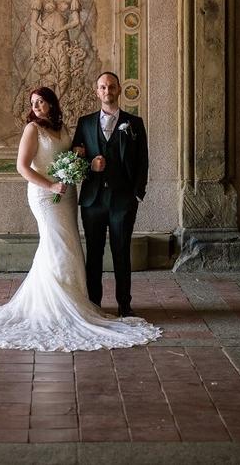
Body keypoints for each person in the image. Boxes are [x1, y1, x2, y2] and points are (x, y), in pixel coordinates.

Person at [0, 86, 160, 351]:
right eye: (33, 102)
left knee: (71, 245)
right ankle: (53, 306)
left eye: (41, 101)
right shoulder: (33, 129)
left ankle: (76, 300)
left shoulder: (62, 129)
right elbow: (22, 166)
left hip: (66, 195)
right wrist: (50, 186)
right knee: (56, 246)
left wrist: (78, 163)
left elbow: (74, 154)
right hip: (45, 196)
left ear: (51, 103)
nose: (37, 105)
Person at [72, 72, 148, 317]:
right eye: (103, 87)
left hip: (122, 201)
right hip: (92, 201)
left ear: (119, 90)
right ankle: (94, 304)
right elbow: (73, 160)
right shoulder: (84, 123)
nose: (107, 91)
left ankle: (124, 305)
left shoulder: (133, 123)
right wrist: (89, 167)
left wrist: (137, 194)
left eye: (111, 87)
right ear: (97, 92)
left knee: (121, 252)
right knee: (93, 253)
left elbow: (143, 162)